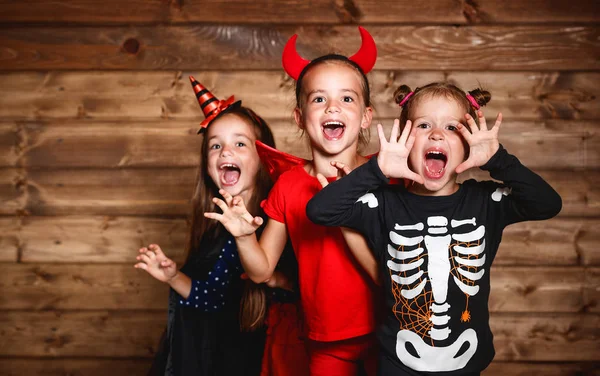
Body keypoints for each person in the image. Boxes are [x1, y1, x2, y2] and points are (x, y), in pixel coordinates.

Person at [305, 82, 563, 375]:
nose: (437, 134)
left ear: (468, 145)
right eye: (424, 125)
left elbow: (548, 204)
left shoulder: (485, 201)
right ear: (405, 140)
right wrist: (378, 169)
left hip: (467, 364)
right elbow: (319, 211)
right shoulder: (383, 203)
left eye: (452, 128)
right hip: (396, 364)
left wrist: (498, 160)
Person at [205, 27, 381, 375]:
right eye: (319, 99)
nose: (332, 106)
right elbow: (262, 270)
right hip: (324, 341)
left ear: (365, 117)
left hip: (390, 331)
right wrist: (244, 237)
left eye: (347, 98)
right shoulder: (289, 185)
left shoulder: (386, 176)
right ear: (300, 117)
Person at [135, 77, 305, 376]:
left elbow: (307, 293)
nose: (226, 152)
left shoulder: (281, 220)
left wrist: (274, 279)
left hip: (267, 358)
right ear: (206, 163)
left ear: (263, 157)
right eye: (216, 146)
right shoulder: (213, 229)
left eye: (240, 143)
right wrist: (174, 276)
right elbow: (213, 300)